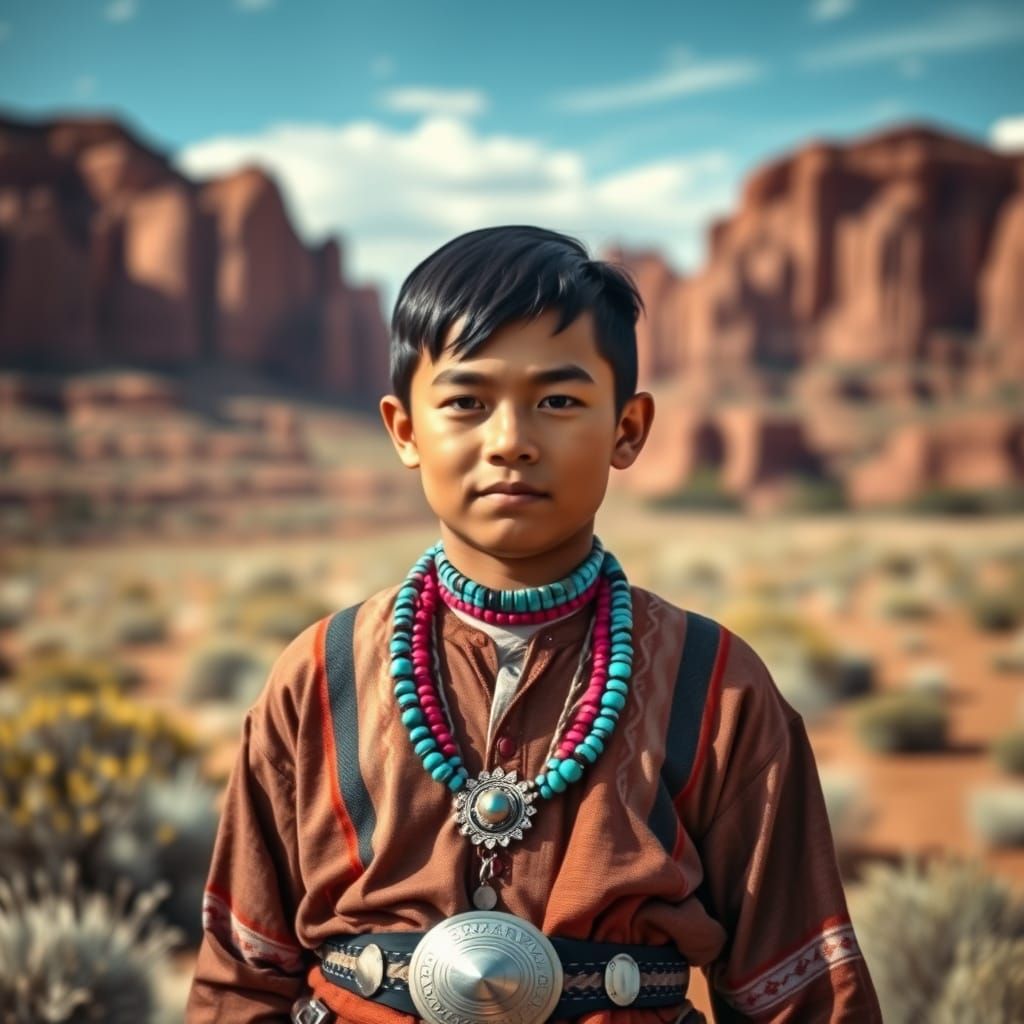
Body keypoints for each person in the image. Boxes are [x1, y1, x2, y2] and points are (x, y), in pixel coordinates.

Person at [186, 225, 882, 1023]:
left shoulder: (716, 683)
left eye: (558, 401)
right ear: (405, 431)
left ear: (628, 430)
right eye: (466, 403)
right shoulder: (319, 672)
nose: (511, 442)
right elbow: (241, 980)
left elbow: (801, 997)